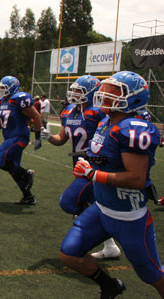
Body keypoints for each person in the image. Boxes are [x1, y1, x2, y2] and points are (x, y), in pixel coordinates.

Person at [59, 71, 164, 298]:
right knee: (69, 254)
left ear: (133, 98)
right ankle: (110, 285)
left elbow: (136, 179)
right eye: (105, 88)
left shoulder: (133, 127)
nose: (104, 94)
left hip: (129, 218)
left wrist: (94, 174)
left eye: (114, 91)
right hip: (102, 209)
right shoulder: (106, 122)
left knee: (152, 274)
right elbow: (107, 156)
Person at [41, 75, 121, 260]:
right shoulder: (68, 111)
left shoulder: (99, 112)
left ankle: (92, 232)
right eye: (74, 89)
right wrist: (49, 137)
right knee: (96, 204)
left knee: (69, 202)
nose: (74, 93)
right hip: (80, 166)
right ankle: (110, 246)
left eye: (79, 90)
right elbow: (61, 140)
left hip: (95, 166)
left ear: (91, 93)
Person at [0, 75, 42, 205]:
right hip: (10, 137)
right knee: (13, 169)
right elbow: (1, 123)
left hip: (19, 136)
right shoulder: (3, 101)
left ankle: (27, 173)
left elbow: (36, 115)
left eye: (4, 88)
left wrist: (38, 137)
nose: (1, 90)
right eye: (0, 87)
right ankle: (28, 196)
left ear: (13, 88)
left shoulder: (18, 99)